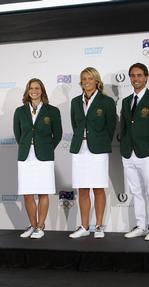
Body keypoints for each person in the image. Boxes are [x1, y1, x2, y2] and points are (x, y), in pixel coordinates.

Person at [69, 67, 117, 239]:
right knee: (82, 189)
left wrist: (99, 141)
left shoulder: (106, 101)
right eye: (84, 79)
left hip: (98, 150)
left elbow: (111, 126)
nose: (86, 82)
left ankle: (98, 226)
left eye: (90, 78)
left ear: (97, 81)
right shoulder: (75, 101)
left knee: (98, 188)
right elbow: (75, 125)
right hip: (79, 149)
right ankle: (83, 226)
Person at [121, 63, 149, 241]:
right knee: (136, 191)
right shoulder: (126, 101)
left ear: (146, 77)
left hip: (147, 153)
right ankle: (141, 225)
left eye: (139, 75)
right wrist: (125, 147)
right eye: (132, 75)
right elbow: (124, 128)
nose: (135, 79)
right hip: (128, 153)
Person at [13, 78, 62, 239]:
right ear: (27, 91)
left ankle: (40, 226)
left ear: (42, 91)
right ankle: (32, 225)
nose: (34, 91)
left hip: (45, 157)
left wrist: (46, 148)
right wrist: (29, 146)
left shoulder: (52, 111)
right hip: (26, 156)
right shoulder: (19, 111)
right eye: (31, 88)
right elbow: (19, 135)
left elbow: (58, 135)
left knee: (43, 192)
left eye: (37, 88)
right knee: (27, 193)